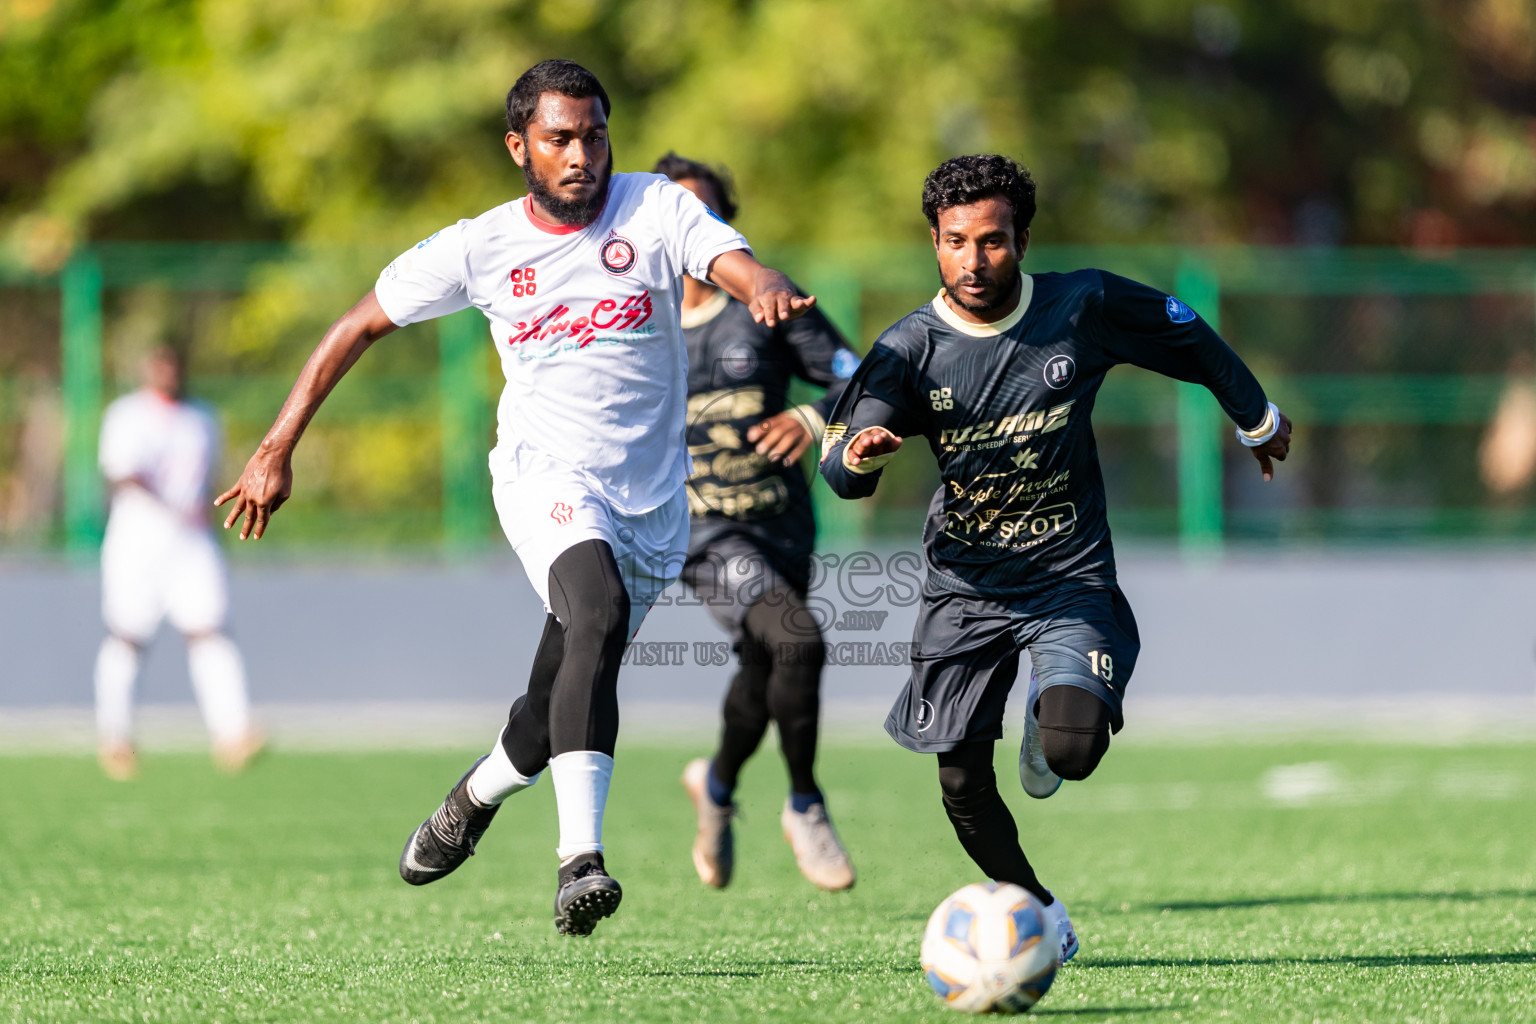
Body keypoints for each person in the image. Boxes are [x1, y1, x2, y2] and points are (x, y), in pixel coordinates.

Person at [215, 60, 817, 937]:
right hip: (547, 478)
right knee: (597, 613)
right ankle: (581, 862)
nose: (583, 155)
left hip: (652, 500)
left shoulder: (655, 207)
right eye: (560, 138)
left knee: (553, 700)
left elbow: (729, 260)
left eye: (596, 135)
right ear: (518, 147)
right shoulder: (479, 246)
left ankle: (473, 796)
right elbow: (357, 325)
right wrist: (276, 446)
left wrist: (761, 285)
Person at [818, 155, 1292, 962]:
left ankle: (1053, 712)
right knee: (962, 782)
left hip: (1068, 575)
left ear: (1023, 240)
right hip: (964, 588)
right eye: (956, 241)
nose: (975, 260)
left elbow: (1186, 335)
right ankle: (1040, 912)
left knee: (1070, 747)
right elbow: (837, 465)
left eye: (994, 241)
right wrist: (859, 457)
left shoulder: (1083, 305)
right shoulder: (908, 350)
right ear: (933, 242)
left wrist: (1255, 414)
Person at [653, 152, 859, 892]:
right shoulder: (629, 316)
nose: (689, 231)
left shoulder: (766, 302)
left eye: (704, 216)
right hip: (703, 534)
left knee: (765, 663)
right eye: (675, 217)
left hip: (782, 523)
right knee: (797, 640)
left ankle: (716, 786)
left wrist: (810, 415)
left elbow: (857, 377)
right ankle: (805, 803)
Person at [94, 346, 262, 780]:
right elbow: (121, 472)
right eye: (160, 365)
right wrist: (169, 505)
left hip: (192, 542)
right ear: (147, 370)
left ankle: (234, 734)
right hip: (138, 541)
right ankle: (116, 738)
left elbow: (211, 475)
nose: (169, 373)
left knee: (210, 631)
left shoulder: (203, 417)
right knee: (128, 637)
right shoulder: (126, 415)